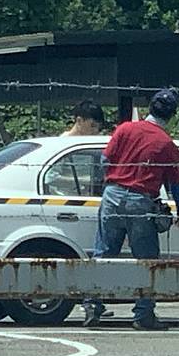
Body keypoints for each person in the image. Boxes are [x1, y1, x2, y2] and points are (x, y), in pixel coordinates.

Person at [83, 89, 179, 331]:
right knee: (146, 260)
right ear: (172, 115)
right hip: (141, 201)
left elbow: (104, 160)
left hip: (112, 195)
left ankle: (92, 304)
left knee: (104, 253)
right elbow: (175, 185)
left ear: (149, 108)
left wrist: (113, 182)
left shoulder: (125, 129)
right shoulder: (166, 144)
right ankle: (143, 314)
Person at [54, 100, 114, 321]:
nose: (95, 132)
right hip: (67, 207)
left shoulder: (93, 149)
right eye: (92, 126)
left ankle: (94, 302)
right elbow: (54, 180)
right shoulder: (63, 146)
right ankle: (90, 301)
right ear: (79, 121)